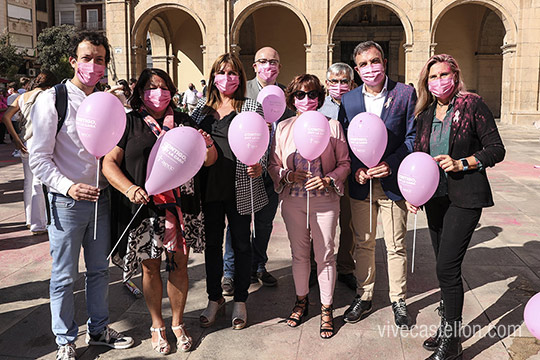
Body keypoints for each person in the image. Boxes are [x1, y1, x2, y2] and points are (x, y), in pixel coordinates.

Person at [29, 31, 134, 359]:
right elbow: (38, 158)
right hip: (67, 202)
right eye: (87, 58)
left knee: (99, 271)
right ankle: (65, 339)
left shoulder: (105, 101)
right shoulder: (53, 99)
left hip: (101, 200)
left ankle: (99, 328)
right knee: (63, 275)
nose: (94, 65)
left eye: (100, 59)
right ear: (73, 61)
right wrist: (67, 186)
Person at [103, 68, 216, 354]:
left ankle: (178, 322)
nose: (159, 93)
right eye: (152, 88)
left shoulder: (184, 121)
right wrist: (129, 189)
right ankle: (157, 325)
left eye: (164, 87)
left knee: (179, 265)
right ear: (140, 92)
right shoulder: (128, 123)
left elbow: (209, 161)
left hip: (181, 207)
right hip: (144, 208)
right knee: (150, 267)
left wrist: (208, 143)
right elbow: (109, 163)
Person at [407, 54, 505, 360]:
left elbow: (496, 149)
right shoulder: (423, 114)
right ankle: (447, 327)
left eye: (444, 74)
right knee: (444, 269)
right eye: (432, 77)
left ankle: (452, 343)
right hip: (435, 199)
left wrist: (462, 162)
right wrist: (414, 192)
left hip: (465, 197)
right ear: (426, 82)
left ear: (455, 74)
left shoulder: (472, 105)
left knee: (446, 267)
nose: (439, 81)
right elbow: (420, 160)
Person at [338, 41, 417, 328]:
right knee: (363, 243)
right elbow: (346, 141)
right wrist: (357, 169)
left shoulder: (404, 93)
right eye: (363, 65)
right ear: (357, 70)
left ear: (384, 61)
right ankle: (364, 295)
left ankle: (399, 300)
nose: (370, 69)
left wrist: (391, 164)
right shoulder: (349, 101)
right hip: (361, 185)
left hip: (393, 182)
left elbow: (412, 137)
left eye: (374, 61)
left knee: (396, 245)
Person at [269, 74, 350, 339]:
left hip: (325, 201)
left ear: (320, 97)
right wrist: (287, 175)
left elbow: (345, 163)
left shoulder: (333, 125)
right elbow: (273, 164)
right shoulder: (283, 128)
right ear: (292, 99)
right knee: (299, 254)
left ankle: (327, 308)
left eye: (313, 94)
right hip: (293, 201)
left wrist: (329, 179)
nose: (307, 99)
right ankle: (301, 301)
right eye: (300, 95)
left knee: (325, 255)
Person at [190, 53, 267, 330]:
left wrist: (260, 165)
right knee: (212, 246)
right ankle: (214, 299)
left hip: (240, 185)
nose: (227, 78)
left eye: (233, 73)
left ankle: (240, 300)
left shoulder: (250, 107)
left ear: (240, 78)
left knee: (241, 243)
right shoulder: (200, 110)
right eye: (221, 72)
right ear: (213, 77)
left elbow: (263, 141)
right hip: (210, 186)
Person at [221, 46, 295, 295]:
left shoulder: (286, 95)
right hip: (246, 170)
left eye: (273, 61)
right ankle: (230, 273)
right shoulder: (243, 92)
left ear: (279, 66)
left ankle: (257, 265)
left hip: (272, 172)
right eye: (263, 61)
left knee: (264, 225)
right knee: (238, 224)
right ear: (254, 66)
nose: (268, 66)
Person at [1, 70, 57, 235]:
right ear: (50, 85)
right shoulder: (48, 95)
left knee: (29, 182)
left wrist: (16, 139)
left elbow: (6, 117)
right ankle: (39, 224)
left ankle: (29, 220)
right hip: (41, 142)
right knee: (39, 183)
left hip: (25, 142)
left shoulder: (22, 96)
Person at [318, 62, 357, 291]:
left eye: (344, 81)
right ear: (327, 83)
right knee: (322, 224)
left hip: (351, 173)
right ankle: (318, 267)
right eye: (334, 81)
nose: (339, 86)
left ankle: (345, 267)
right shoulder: (319, 109)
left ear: (352, 83)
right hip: (324, 175)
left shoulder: (360, 106)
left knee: (349, 224)